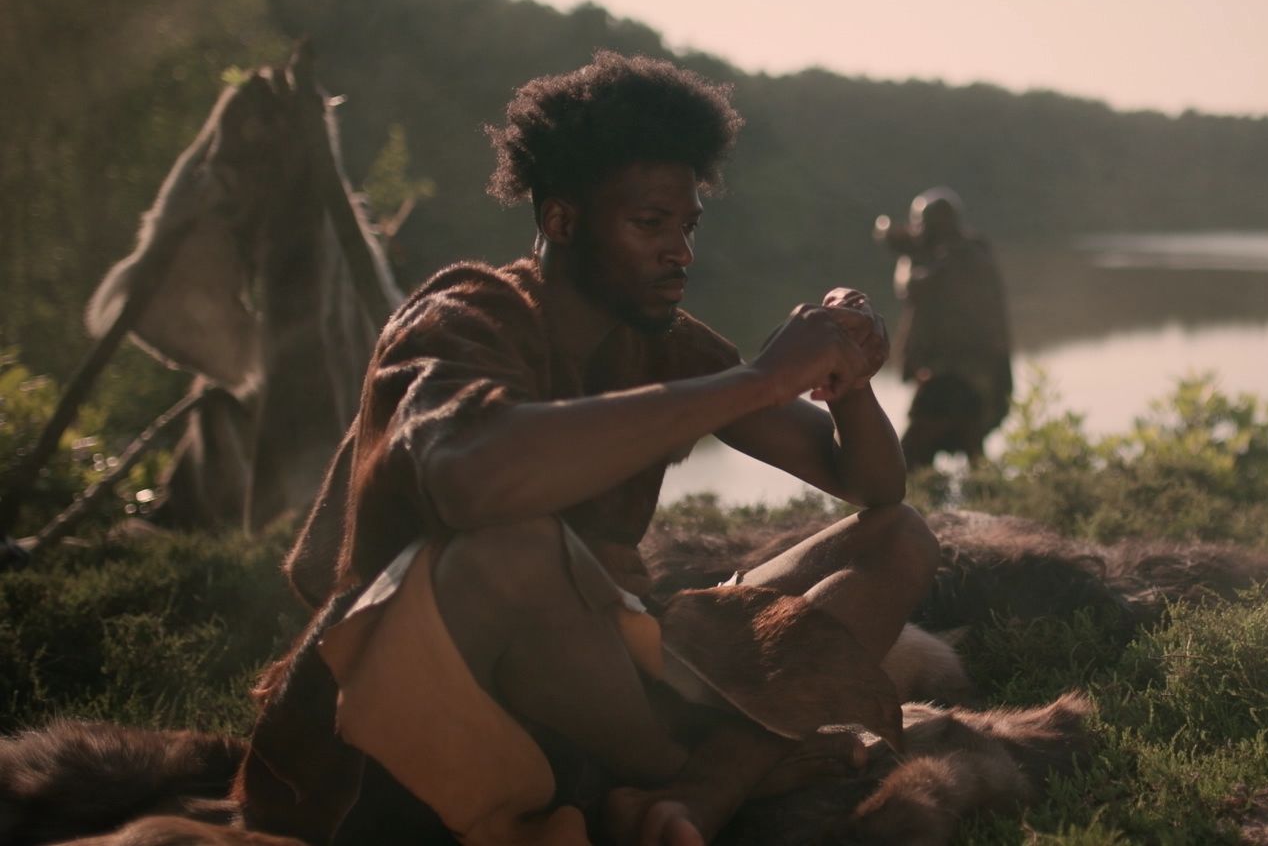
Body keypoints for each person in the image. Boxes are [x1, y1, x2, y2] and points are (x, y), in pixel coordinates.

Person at [235, 52, 940, 846]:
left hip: (606, 667)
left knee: (900, 538)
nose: (681, 252)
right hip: (426, 695)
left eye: (687, 225)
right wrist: (759, 379)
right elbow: (475, 486)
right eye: (650, 224)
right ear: (563, 220)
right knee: (514, 548)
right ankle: (704, 767)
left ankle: (698, 793)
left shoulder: (661, 340)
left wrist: (848, 375)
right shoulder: (462, 318)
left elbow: (873, 488)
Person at [873, 188, 1015, 467]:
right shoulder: (969, 254)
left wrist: (908, 252)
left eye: (920, 226)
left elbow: (912, 287)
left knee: (907, 461)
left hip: (960, 379)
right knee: (970, 454)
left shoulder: (957, 262)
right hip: (967, 378)